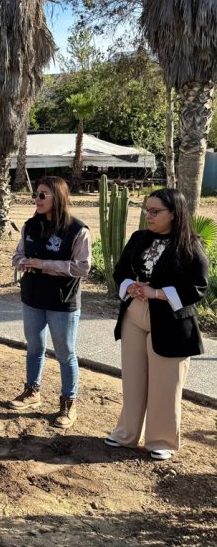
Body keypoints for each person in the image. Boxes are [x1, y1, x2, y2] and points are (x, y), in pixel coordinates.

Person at [105, 188, 208, 461]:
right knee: (133, 378)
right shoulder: (139, 238)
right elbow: (120, 271)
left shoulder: (190, 244)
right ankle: (126, 433)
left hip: (172, 320)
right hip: (134, 314)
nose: (148, 216)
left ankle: (161, 440)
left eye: (155, 211)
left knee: (166, 383)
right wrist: (130, 287)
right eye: (146, 210)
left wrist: (157, 293)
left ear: (173, 213)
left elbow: (197, 286)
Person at [8, 176, 91, 428]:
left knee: (65, 354)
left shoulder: (78, 230)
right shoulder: (30, 225)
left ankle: (69, 403)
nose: (37, 199)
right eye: (36, 194)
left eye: (43, 195)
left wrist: (44, 265)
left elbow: (83, 267)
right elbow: (18, 254)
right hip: (32, 297)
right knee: (34, 347)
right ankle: (32, 391)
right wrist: (23, 262)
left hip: (62, 302)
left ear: (59, 198)